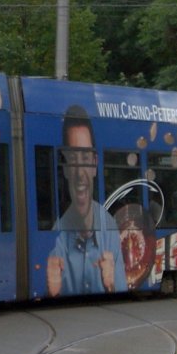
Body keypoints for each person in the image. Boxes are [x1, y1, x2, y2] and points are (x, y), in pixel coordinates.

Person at [47, 105, 127, 297]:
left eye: (85, 158)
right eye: (73, 159)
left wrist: (112, 286)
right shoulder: (56, 238)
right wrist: (51, 293)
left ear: (94, 164)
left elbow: (123, 295)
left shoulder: (110, 228)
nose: (80, 174)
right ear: (65, 168)